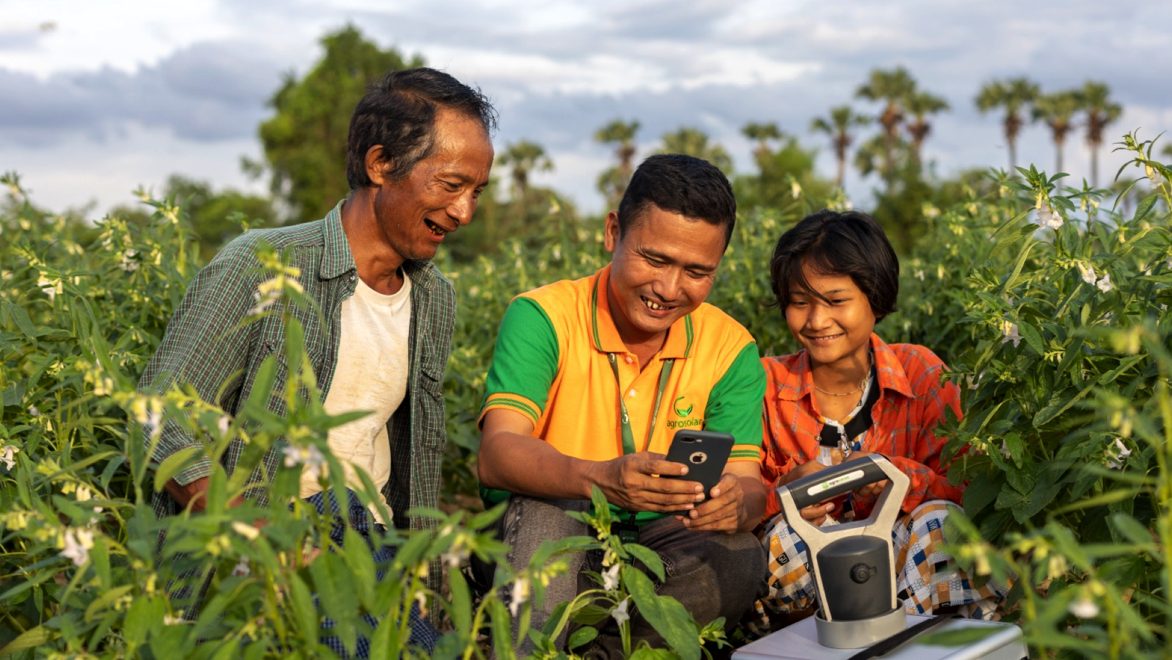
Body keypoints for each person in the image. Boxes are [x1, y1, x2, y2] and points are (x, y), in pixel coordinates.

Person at [139, 67, 496, 655]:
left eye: (476, 192)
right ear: (381, 165)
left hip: (372, 543)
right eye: (452, 185)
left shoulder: (434, 298)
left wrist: (423, 578)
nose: (464, 213)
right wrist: (249, 531)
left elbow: (407, 465)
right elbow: (161, 414)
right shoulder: (264, 264)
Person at [477, 154, 768, 652]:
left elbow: (750, 483)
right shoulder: (543, 316)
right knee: (546, 525)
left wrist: (735, 505)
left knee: (738, 557)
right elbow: (497, 453)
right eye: (654, 259)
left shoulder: (730, 348)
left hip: (658, 547)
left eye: (696, 271)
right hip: (547, 531)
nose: (668, 289)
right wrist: (604, 480)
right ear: (613, 232)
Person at [754, 209, 1003, 629]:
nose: (816, 321)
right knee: (783, 537)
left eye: (836, 301)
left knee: (941, 523)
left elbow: (969, 492)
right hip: (812, 590)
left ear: (875, 296)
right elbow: (735, 498)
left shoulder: (921, 373)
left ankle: (900, 645)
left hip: (911, 577)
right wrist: (783, 494)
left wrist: (898, 479)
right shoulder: (765, 384)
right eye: (800, 303)